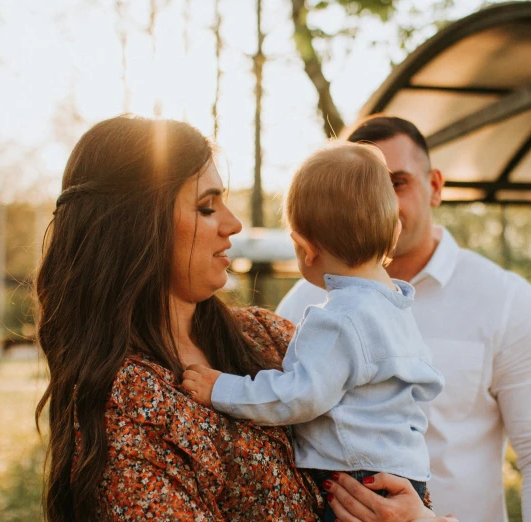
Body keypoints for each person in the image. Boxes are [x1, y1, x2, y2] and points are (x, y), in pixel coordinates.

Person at [34, 115, 459, 522]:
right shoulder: (126, 402)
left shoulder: (266, 335)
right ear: (139, 226)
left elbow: (386, 445)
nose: (234, 224)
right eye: (206, 207)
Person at [277, 116, 531, 522]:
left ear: (435, 187)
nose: (378, 201)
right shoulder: (304, 303)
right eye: (360, 189)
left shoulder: (506, 301)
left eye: (396, 183)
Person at [182, 143, 445, 522]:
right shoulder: (397, 306)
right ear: (393, 231)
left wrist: (221, 388)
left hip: (355, 481)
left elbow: (299, 396)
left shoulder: (339, 319)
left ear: (305, 249)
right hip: (404, 480)